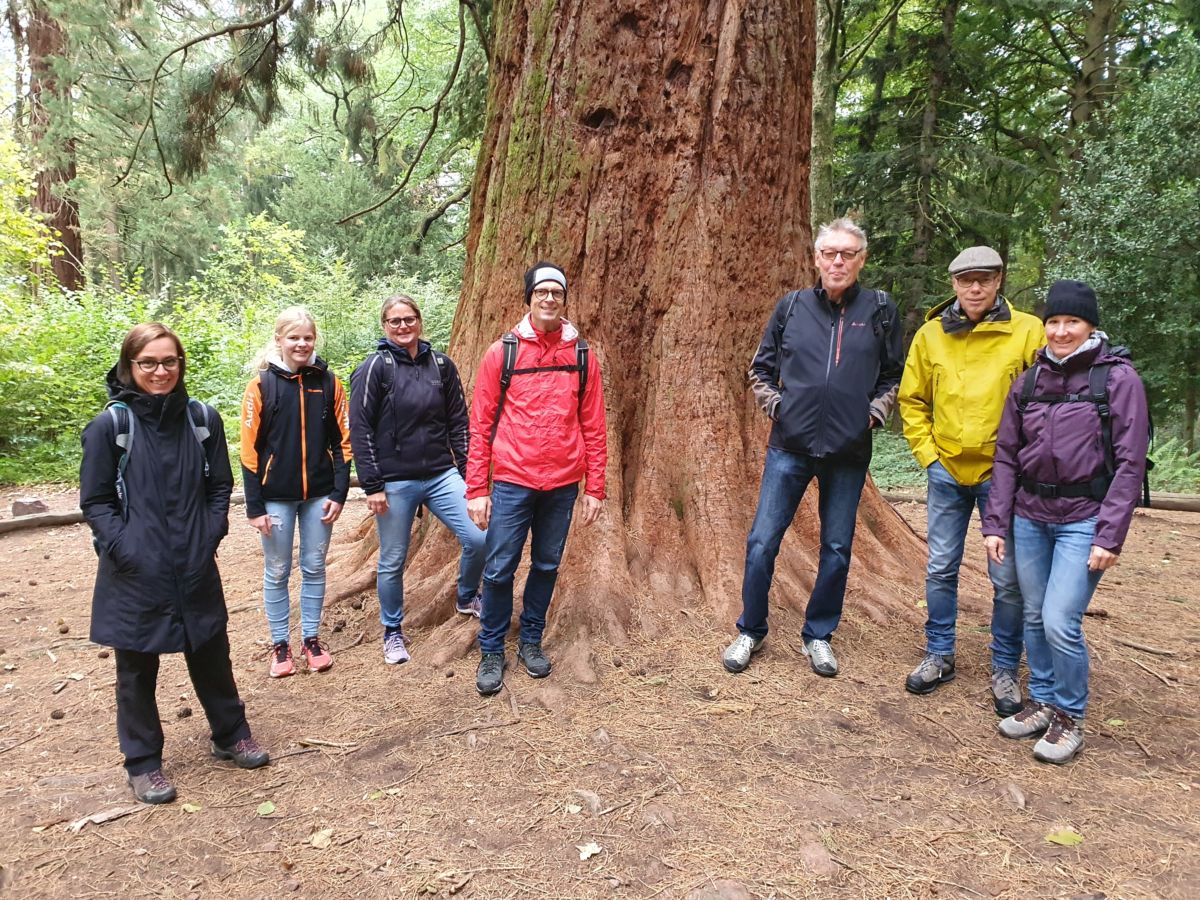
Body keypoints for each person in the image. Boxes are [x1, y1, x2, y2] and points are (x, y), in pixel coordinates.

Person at [81, 323, 269, 805]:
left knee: (210, 648)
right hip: (135, 570)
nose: (160, 371)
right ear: (130, 367)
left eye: (169, 362)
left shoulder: (201, 419)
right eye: (149, 363)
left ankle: (230, 734)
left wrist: (209, 534)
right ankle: (142, 763)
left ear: (180, 364)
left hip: (192, 559)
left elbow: (219, 487)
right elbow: (96, 500)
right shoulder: (111, 427)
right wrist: (126, 547)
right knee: (136, 666)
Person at [723, 218, 903, 677]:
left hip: (847, 453)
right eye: (830, 253)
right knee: (763, 541)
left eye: (847, 254)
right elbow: (759, 370)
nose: (838, 261)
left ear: (861, 260)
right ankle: (751, 629)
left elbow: (892, 376)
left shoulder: (880, 310)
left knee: (838, 547)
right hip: (790, 446)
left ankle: (818, 635)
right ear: (817, 258)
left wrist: (873, 414)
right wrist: (780, 409)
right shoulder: (793, 307)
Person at [982, 280, 1149, 764]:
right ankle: (1043, 702)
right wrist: (996, 523)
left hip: (1084, 517)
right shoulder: (1030, 381)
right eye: (1053, 321)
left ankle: (1070, 717)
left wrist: (1109, 535)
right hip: (1030, 515)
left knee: (1060, 619)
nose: (1060, 331)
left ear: (1090, 326)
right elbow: (1007, 457)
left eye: (1071, 322)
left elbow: (1130, 464)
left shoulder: (1117, 381)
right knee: (1034, 614)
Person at [897, 247, 1044, 714]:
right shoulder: (929, 336)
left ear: (999, 280)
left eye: (984, 279)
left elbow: (1046, 402)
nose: (975, 288)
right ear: (954, 284)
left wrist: (1024, 462)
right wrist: (928, 457)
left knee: (1007, 579)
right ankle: (939, 654)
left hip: (1004, 476)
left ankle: (1004, 667)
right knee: (941, 567)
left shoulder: (1027, 332)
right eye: (966, 280)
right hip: (946, 472)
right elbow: (912, 400)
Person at [466, 261, 607, 696]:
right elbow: (481, 423)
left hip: (563, 483)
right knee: (499, 568)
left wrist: (595, 487)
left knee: (546, 565)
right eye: (541, 291)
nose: (549, 299)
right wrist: (477, 488)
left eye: (557, 293)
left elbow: (594, 424)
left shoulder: (581, 355)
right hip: (513, 480)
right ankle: (491, 648)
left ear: (564, 300)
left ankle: (530, 640)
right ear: (528, 298)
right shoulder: (502, 353)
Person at [350, 294, 483, 665]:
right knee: (393, 559)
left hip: (441, 473)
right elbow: (359, 430)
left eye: (409, 319)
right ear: (384, 326)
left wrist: (469, 474)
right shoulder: (375, 368)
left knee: (479, 536)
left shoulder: (441, 365)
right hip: (395, 480)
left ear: (419, 321)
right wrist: (372, 484)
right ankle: (392, 631)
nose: (403, 326)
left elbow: (458, 421)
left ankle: (467, 595)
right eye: (395, 321)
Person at [241, 307, 352, 678]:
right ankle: (279, 644)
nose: (301, 344)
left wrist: (339, 492)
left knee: (315, 566)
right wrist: (254, 506)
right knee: (277, 570)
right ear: (279, 340)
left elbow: (343, 442)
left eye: (307, 338)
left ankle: (311, 638)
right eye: (294, 337)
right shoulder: (261, 385)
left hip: (320, 493)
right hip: (275, 496)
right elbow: (248, 449)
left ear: (314, 341)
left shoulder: (329, 382)